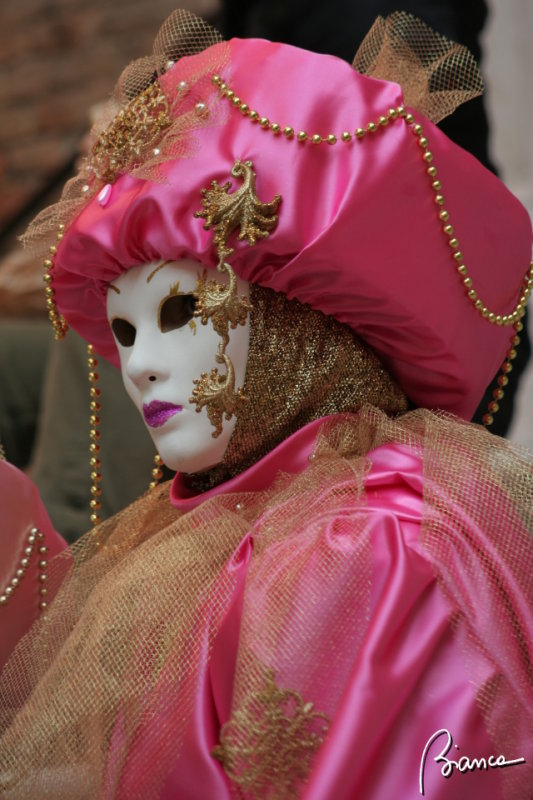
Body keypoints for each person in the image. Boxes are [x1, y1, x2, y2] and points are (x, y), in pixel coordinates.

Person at [1, 9, 533, 799]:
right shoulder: (201, 540)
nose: (139, 364)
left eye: (179, 313)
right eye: (121, 330)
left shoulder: (365, 549)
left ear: (296, 319)